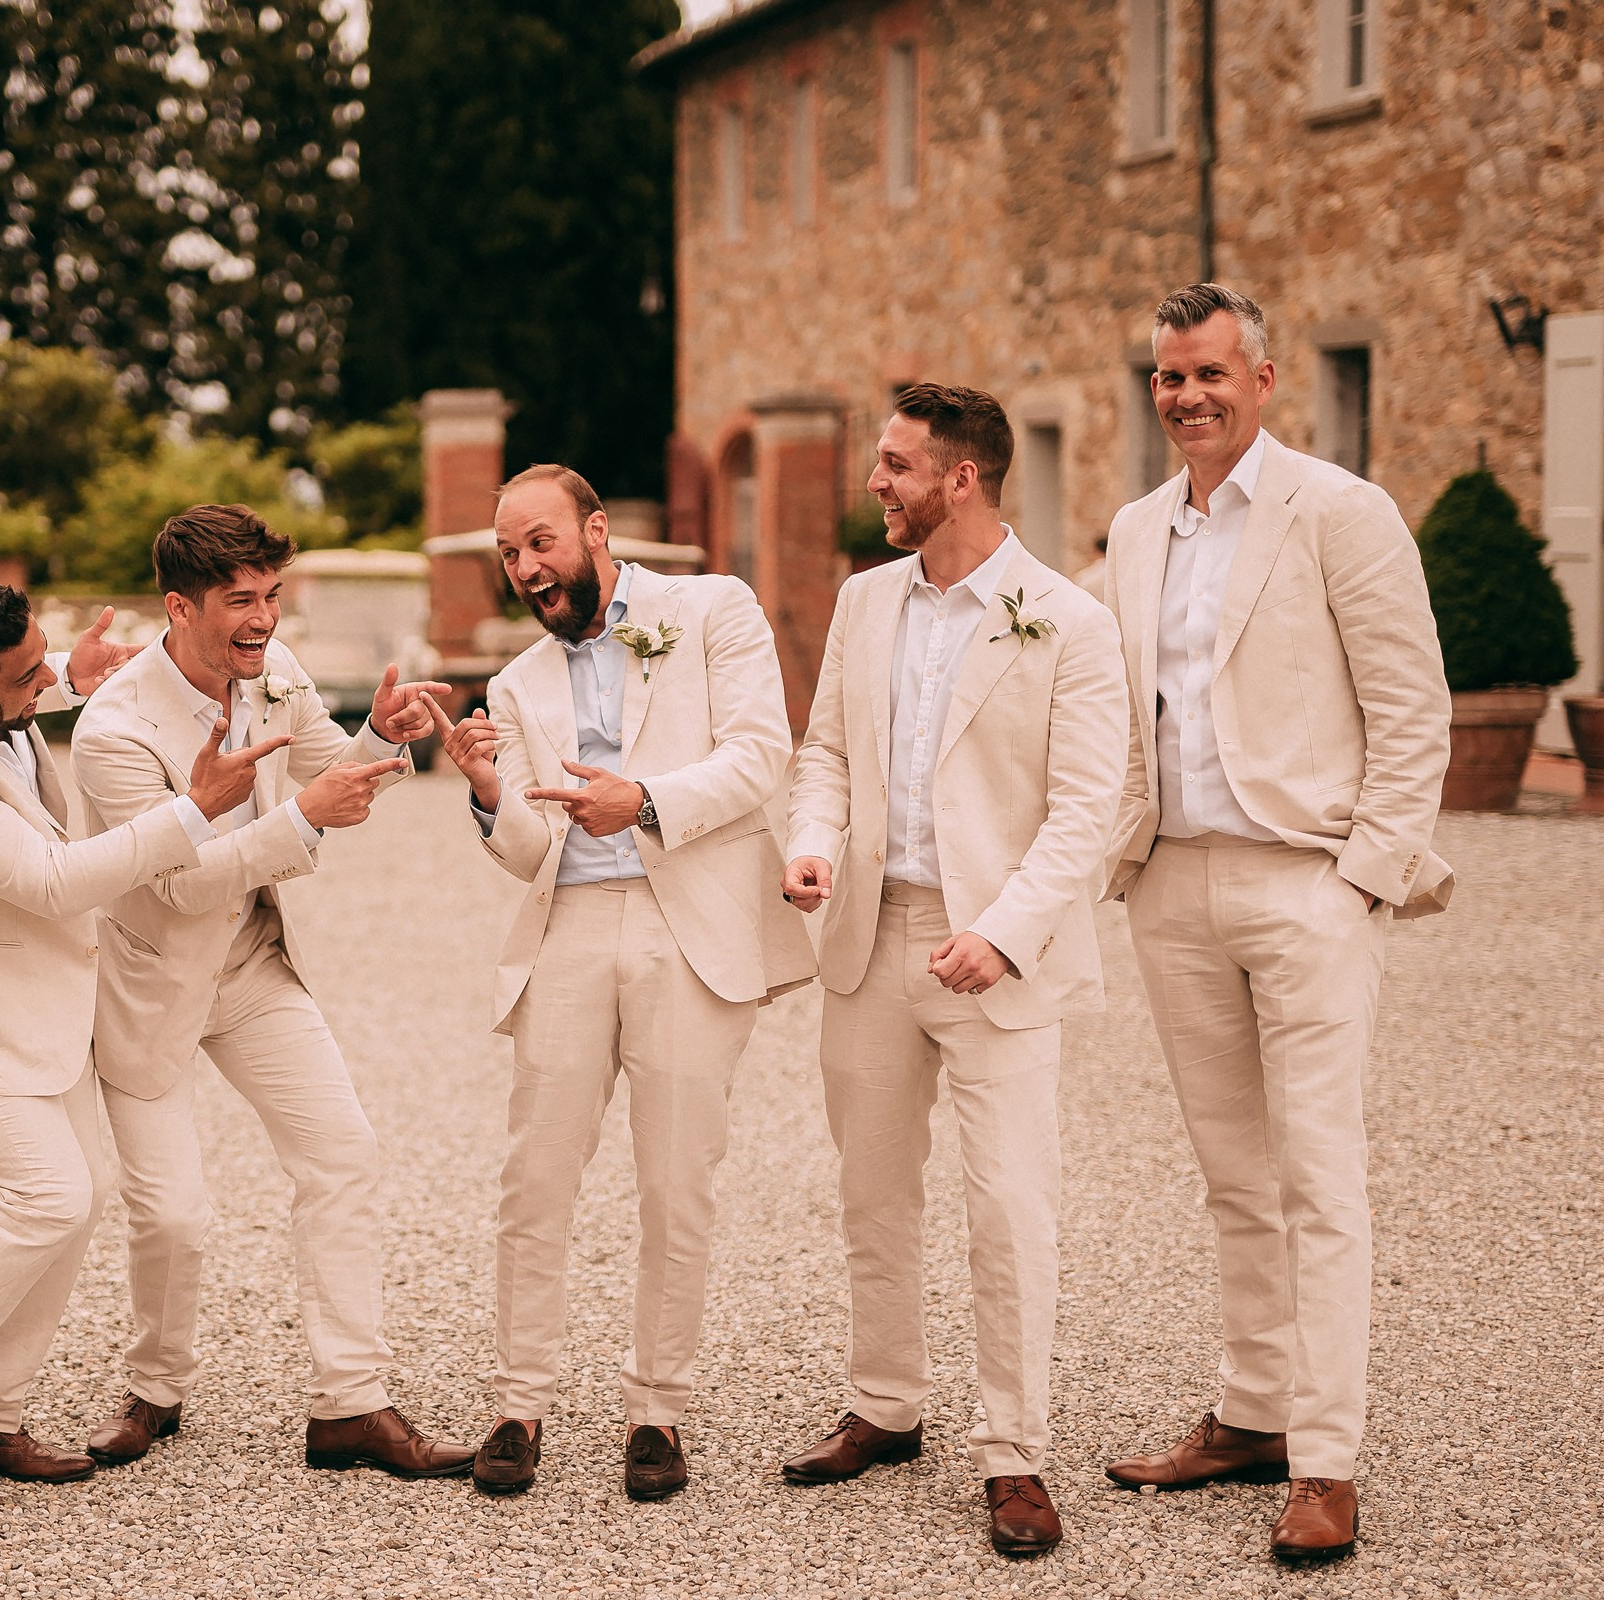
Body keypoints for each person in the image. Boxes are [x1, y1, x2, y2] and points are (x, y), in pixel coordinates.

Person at [1096, 284, 1452, 1564]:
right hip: (1173, 883)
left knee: (1319, 1177)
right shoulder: (1136, 531)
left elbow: (1413, 708)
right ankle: (1251, 1410)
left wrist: (1360, 877)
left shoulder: (1342, 512)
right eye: (1168, 377)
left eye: (1209, 373)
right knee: (1234, 1177)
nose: (1188, 395)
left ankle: (1327, 1458)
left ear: (1263, 376)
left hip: (1305, 878)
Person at [0, 576, 289, 1508]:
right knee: (44, 1192)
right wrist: (194, 810)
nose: (48, 682)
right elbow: (51, 881)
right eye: (28, 675)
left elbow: (33, 685)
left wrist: (74, 668)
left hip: (28, 982)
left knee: (83, 1191)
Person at [779, 385, 1126, 1557]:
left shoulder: (1067, 621)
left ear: (961, 477)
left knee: (1009, 1204)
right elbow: (823, 752)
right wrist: (813, 846)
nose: (875, 482)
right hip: (870, 935)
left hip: (997, 954)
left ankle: (1014, 1454)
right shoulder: (866, 599)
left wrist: (1007, 931)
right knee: (873, 1189)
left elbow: (1089, 809)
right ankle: (885, 1403)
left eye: (894, 465)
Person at [433, 464, 812, 1501]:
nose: (526, 569)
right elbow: (526, 847)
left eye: (541, 543)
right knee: (534, 1176)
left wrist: (641, 798)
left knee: (676, 1178)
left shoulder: (712, 609)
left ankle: (658, 1410)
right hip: (568, 929)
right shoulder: (514, 683)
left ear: (596, 531)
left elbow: (758, 756)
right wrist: (483, 793)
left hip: (686, 925)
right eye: (509, 553)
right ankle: (518, 1405)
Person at [70, 505, 474, 1478]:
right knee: (171, 1216)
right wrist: (302, 817)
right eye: (240, 600)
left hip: (252, 962)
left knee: (344, 1156)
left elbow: (331, 774)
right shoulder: (112, 730)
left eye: (272, 596)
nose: (263, 618)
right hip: (152, 980)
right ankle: (155, 1389)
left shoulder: (274, 669)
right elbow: (176, 879)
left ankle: (353, 1405)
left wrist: (380, 732)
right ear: (179, 605)